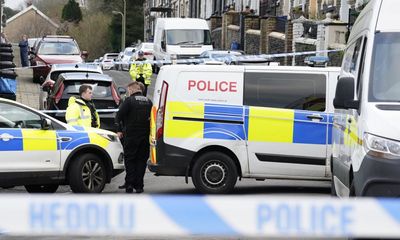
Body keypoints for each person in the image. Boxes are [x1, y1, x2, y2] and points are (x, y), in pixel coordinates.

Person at [115, 81, 152, 193]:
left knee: (130, 160)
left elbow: (119, 116)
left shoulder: (129, 101)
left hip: (131, 136)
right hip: (145, 136)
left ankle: (129, 184)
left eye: (128, 90)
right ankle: (139, 186)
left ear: (131, 90)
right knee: (141, 161)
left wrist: (118, 130)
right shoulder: (149, 102)